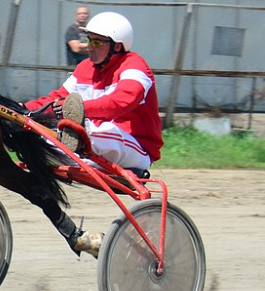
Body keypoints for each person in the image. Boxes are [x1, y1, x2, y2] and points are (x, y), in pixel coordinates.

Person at [25, 11, 162, 174]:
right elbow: (55, 100)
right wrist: (21, 109)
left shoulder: (134, 67)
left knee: (90, 130)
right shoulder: (85, 67)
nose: (89, 47)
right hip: (95, 141)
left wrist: (78, 109)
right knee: (36, 132)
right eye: (89, 40)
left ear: (116, 46)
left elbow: (120, 103)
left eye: (97, 43)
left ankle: (77, 138)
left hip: (137, 147)